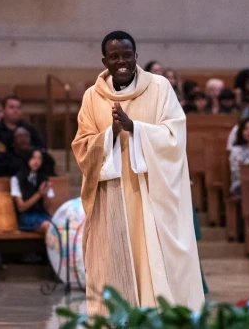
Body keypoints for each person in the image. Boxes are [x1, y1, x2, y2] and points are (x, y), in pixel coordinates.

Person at [72, 31, 204, 314]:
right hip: (112, 197)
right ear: (104, 60)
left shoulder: (159, 87)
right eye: (115, 56)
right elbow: (82, 146)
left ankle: (161, 316)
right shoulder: (92, 97)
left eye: (127, 55)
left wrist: (136, 129)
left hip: (151, 195)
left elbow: (175, 137)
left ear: (136, 56)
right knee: (116, 265)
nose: (122, 61)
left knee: (153, 262)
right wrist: (110, 135)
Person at [10, 149, 53, 234]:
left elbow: (47, 207)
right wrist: (39, 194)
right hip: (27, 216)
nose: (36, 161)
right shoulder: (16, 179)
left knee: (58, 226)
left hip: (42, 215)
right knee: (47, 226)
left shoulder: (44, 179)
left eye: (39, 159)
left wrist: (44, 195)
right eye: (33, 158)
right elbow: (21, 207)